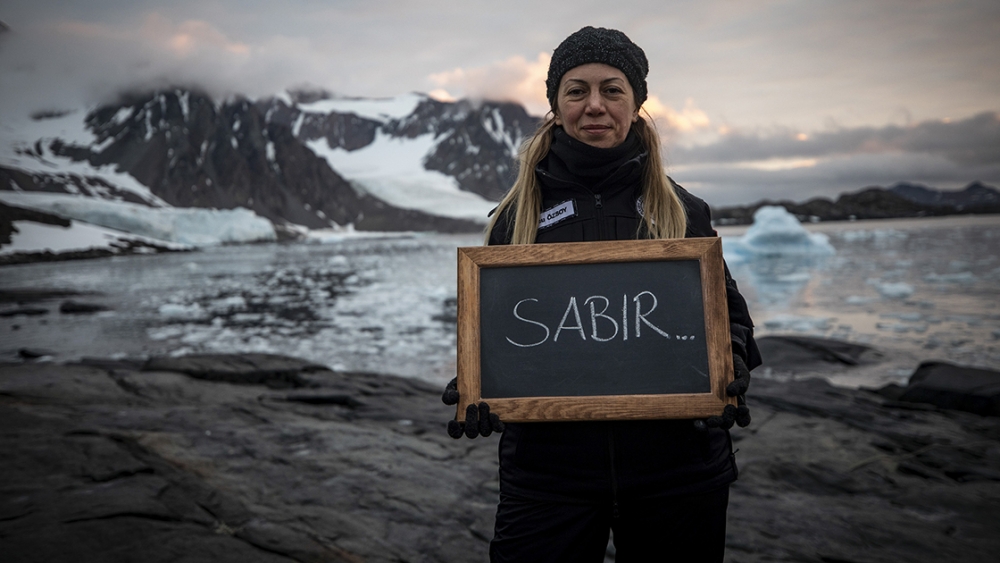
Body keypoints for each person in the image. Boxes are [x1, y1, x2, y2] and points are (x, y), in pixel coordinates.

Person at [441, 26, 762, 563]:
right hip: (548, 479)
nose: (594, 106)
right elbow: (498, 331)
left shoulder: (682, 210)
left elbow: (729, 316)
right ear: (555, 103)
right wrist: (479, 383)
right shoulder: (514, 219)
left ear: (636, 102)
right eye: (576, 90)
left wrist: (728, 360)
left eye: (611, 89)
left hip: (678, 472)